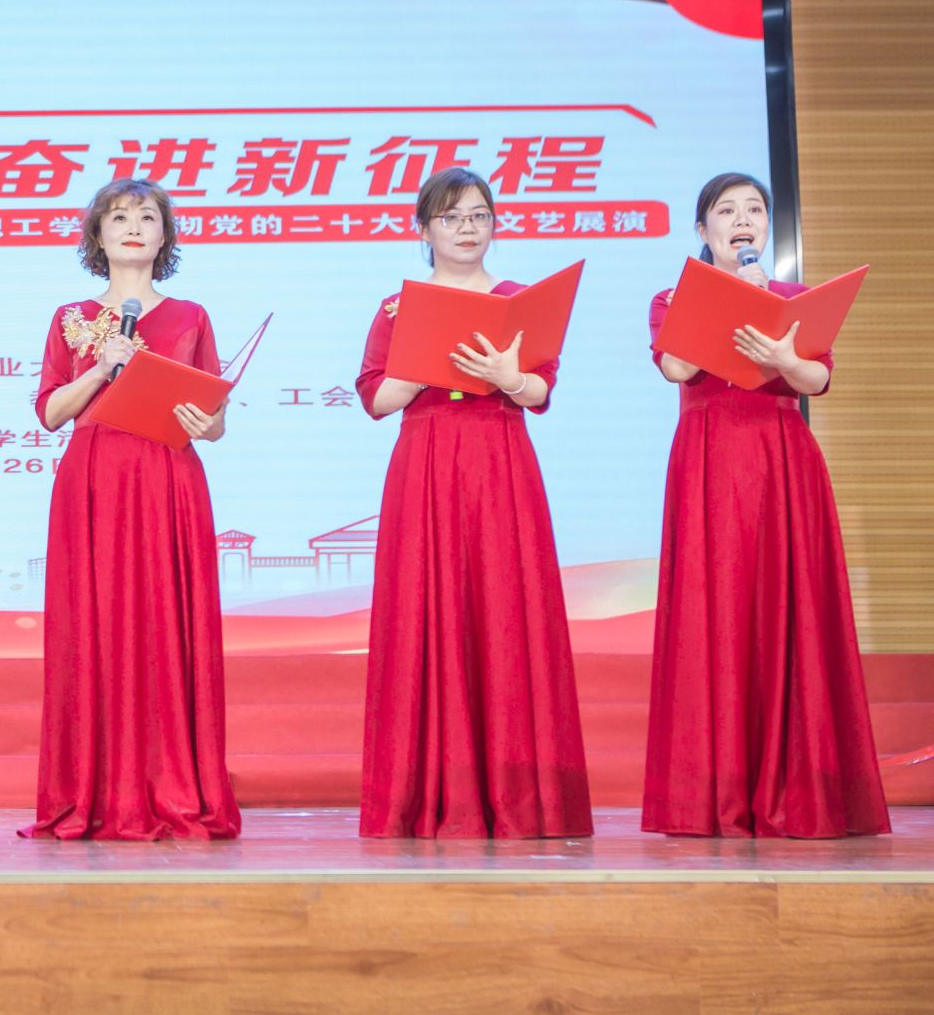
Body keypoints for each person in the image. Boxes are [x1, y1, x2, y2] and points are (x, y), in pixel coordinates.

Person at [641, 172, 889, 837]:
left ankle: (798, 787)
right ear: (703, 229)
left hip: (781, 459)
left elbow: (817, 378)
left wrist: (783, 353)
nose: (743, 219)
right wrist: (730, 302)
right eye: (727, 210)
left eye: (754, 208)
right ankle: (713, 790)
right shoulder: (673, 297)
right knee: (714, 609)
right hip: (708, 458)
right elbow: (676, 368)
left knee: (788, 607)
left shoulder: (796, 299)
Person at [354, 167, 591, 838]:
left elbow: (539, 391)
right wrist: (424, 363)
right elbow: (376, 398)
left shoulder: (519, 300)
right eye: (451, 217)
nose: (467, 228)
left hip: (499, 457)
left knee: (506, 609)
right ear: (424, 229)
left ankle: (519, 793)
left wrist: (507, 376)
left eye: (479, 216)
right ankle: (429, 792)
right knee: (426, 608)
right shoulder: (399, 307)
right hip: (427, 460)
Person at [24, 178, 240, 841]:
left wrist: (204, 421)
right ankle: (91, 789)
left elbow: (215, 423)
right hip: (94, 479)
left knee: (166, 624)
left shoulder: (191, 315)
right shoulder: (70, 316)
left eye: (148, 216)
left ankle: (174, 783)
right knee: (94, 626)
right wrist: (99, 368)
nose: (134, 227)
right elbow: (49, 412)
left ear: (165, 235)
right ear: (98, 235)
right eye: (119, 217)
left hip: (167, 475)